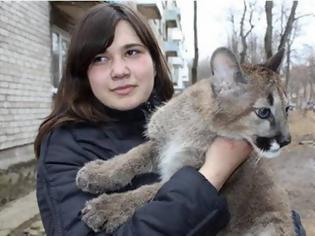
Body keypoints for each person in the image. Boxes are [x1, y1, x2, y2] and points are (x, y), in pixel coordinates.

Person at [34, 2, 254, 236]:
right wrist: (212, 175)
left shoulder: (187, 121)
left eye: (132, 52)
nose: (119, 71)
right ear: (83, 72)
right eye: (100, 58)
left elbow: (260, 204)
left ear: (155, 62)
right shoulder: (64, 145)